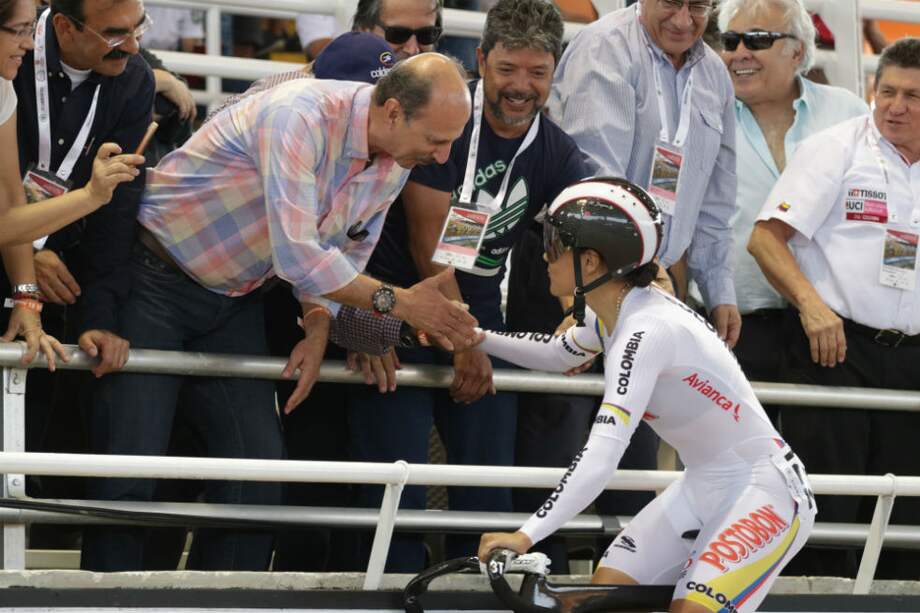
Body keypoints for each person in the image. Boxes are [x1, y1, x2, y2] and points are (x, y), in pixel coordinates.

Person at [81, 53, 475, 572]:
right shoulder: (300, 114)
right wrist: (403, 303)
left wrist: (317, 324)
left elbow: (343, 252)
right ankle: (97, 603)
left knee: (258, 474)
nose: (443, 155)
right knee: (131, 468)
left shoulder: (398, 157)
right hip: (152, 277)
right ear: (395, 112)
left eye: (450, 141)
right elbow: (300, 255)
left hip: (236, 296)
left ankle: (223, 608)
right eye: (436, 140)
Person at [478, 177, 815, 613]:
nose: (544, 256)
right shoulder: (618, 310)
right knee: (604, 596)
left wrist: (526, 535)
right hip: (703, 482)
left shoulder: (645, 329)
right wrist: (472, 337)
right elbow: (560, 353)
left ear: (592, 262)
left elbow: (601, 456)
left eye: (555, 246)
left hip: (765, 488)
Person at [348, 0, 595, 572]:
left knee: (489, 492)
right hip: (396, 307)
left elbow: (583, 232)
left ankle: (481, 597)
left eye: (538, 72)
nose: (520, 87)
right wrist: (468, 342)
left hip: (477, 316)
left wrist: (580, 312)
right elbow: (428, 244)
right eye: (507, 69)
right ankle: (383, 598)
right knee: (396, 489)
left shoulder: (555, 149)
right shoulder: (446, 115)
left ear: (556, 71)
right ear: (480, 59)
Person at [748, 37, 920, 579]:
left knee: (907, 526)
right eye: (887, 90)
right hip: (836, 349)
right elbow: (764, 239)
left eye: (913, 96)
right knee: (824, 511)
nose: (896, 106)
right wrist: (811, 305)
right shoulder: (836, 148)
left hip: (912, 362)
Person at [548, 0, 740, 344]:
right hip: (580, 277)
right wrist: (646, 275)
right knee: (574, 396)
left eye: (697, 6)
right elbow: (598, 185)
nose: (683, 21)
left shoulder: (715, 74)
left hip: (656, 288)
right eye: (671, 3)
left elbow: (716, 200)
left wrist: (719, 289)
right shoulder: (605, 47)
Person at [717, 0, 867, 422]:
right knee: (734, 470)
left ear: (798, 52)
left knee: (822, 472)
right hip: (735, 325)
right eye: (731, 40)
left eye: (758, 39)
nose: (740, 51)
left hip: (833, 328)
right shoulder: (703, 115)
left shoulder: (849, 113)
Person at [0, 0, 141, 370]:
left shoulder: (4, 87)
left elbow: (10, 208)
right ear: (64, 27)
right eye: (18, 31)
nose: (29, 44)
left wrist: (26, 298)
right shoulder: (16, 74)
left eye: (30, 30)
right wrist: (90, 196)